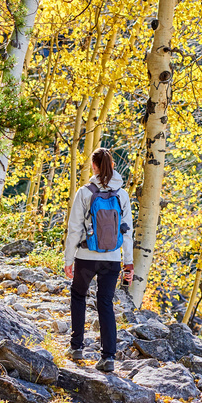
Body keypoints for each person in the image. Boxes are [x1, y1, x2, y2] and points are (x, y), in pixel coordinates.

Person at [64, 147, 134, 372]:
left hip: (86, 257)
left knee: (78, 296)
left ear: (93, 167)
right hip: (112, 259)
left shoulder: (85, 192)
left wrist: (68, 259)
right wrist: (128, 264)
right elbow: (127, 233)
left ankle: (76, 347)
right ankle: (108, 357)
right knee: (105, 303)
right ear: (112, 166)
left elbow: (74, 229)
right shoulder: (122, 195)